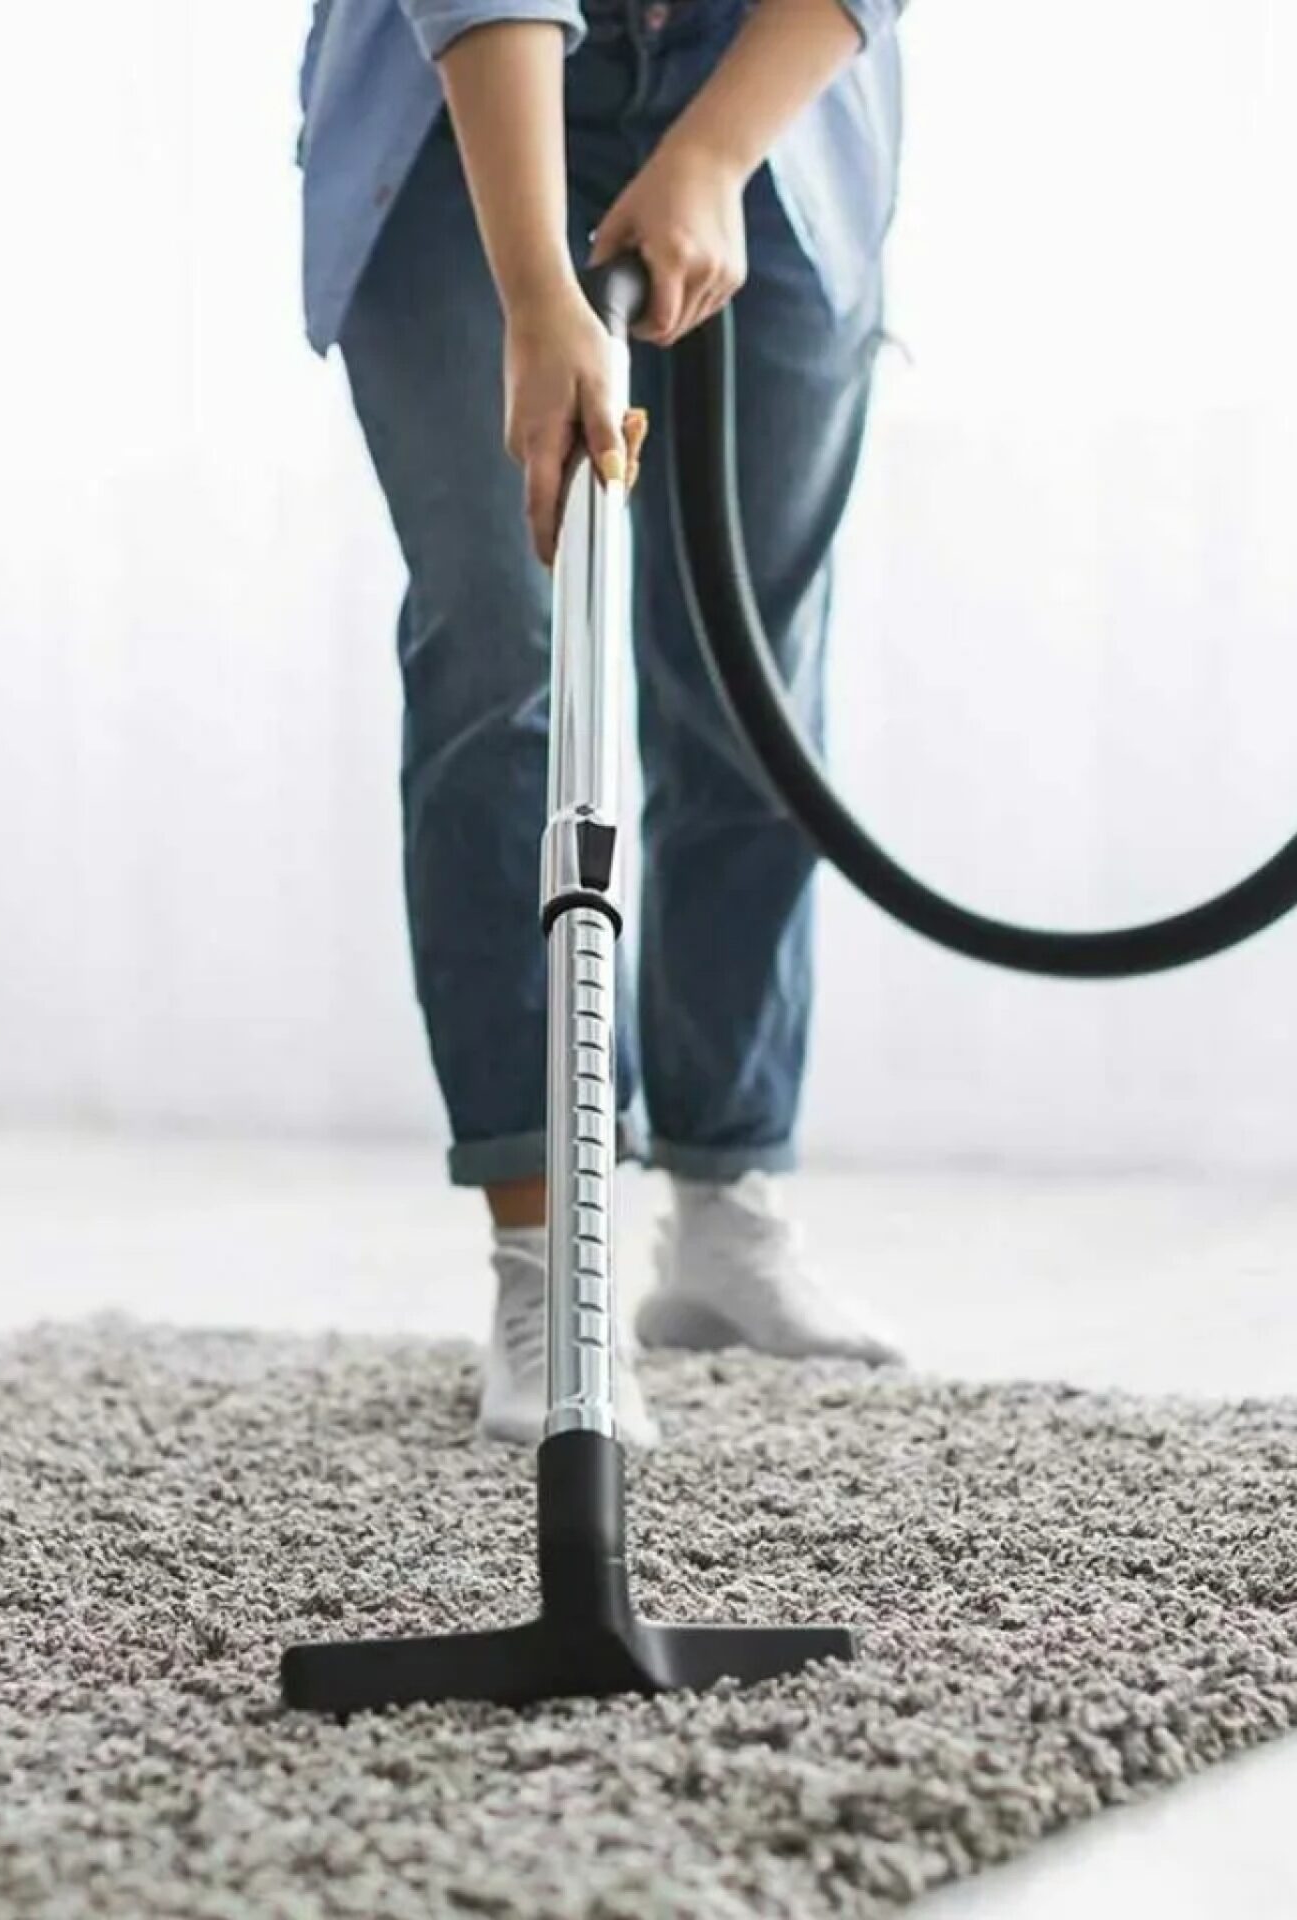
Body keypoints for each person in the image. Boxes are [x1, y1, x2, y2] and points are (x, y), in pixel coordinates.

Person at [297, 0, 904, 1445]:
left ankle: (726, 1204)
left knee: (751, 683)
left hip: (768, 85)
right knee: (505, 666)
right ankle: (543, 1259)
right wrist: (535, 295)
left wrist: (713, 153)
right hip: (465, 110)